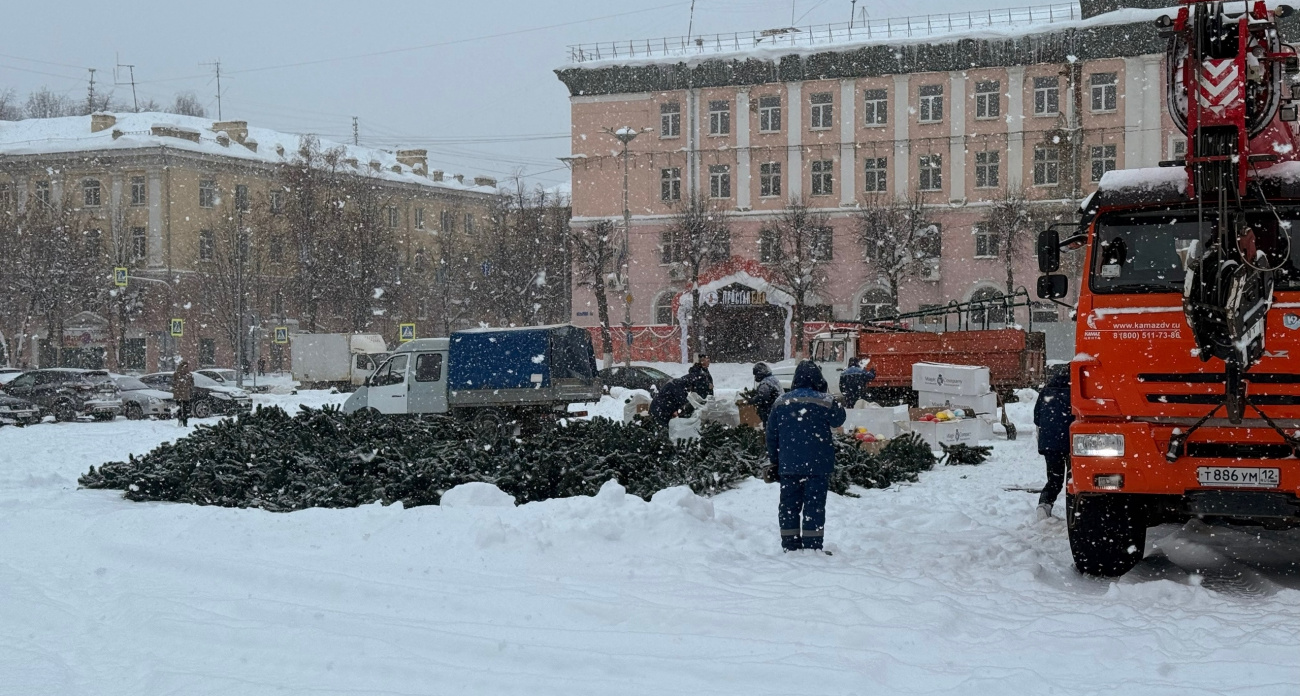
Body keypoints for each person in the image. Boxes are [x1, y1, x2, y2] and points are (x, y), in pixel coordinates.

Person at [766, 360, 846, 552]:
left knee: (789, 506)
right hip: (818, 464)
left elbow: (771, 435)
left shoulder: (780, 402)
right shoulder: (825, 401)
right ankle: (813, 546)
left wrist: (776, 461)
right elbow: (839, 419)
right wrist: (828, 395)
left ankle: (790, 545)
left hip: (789, 464)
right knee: (814, 505)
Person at [1033, 364, 1074, 520]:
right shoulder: (1077, 391)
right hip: (1072, 442)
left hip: (1049, 443)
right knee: (1074, 480)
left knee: (1054, 479)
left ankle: (1044, 505)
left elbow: (1037, 417)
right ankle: (1074, 511)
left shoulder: (1046, 390)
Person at [750, 362, 784, 426]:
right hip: (779, 410)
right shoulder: (773, 379)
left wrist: (752, 400)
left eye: (756, 374)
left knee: (770, 428)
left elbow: (762, 396)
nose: (755, 377)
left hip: (771, 411)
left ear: (760, 373)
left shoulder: (765, 382)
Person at [173, 359, 195, 427]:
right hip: (186, 394)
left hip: (178, 394)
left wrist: (176, 389)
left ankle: (180, 420)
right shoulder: (189, 375)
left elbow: (173, 383)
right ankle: (185, 421)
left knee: (179, 408)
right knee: (186, 409)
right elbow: (192, 384)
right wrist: (190, 389)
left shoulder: (177, 374)